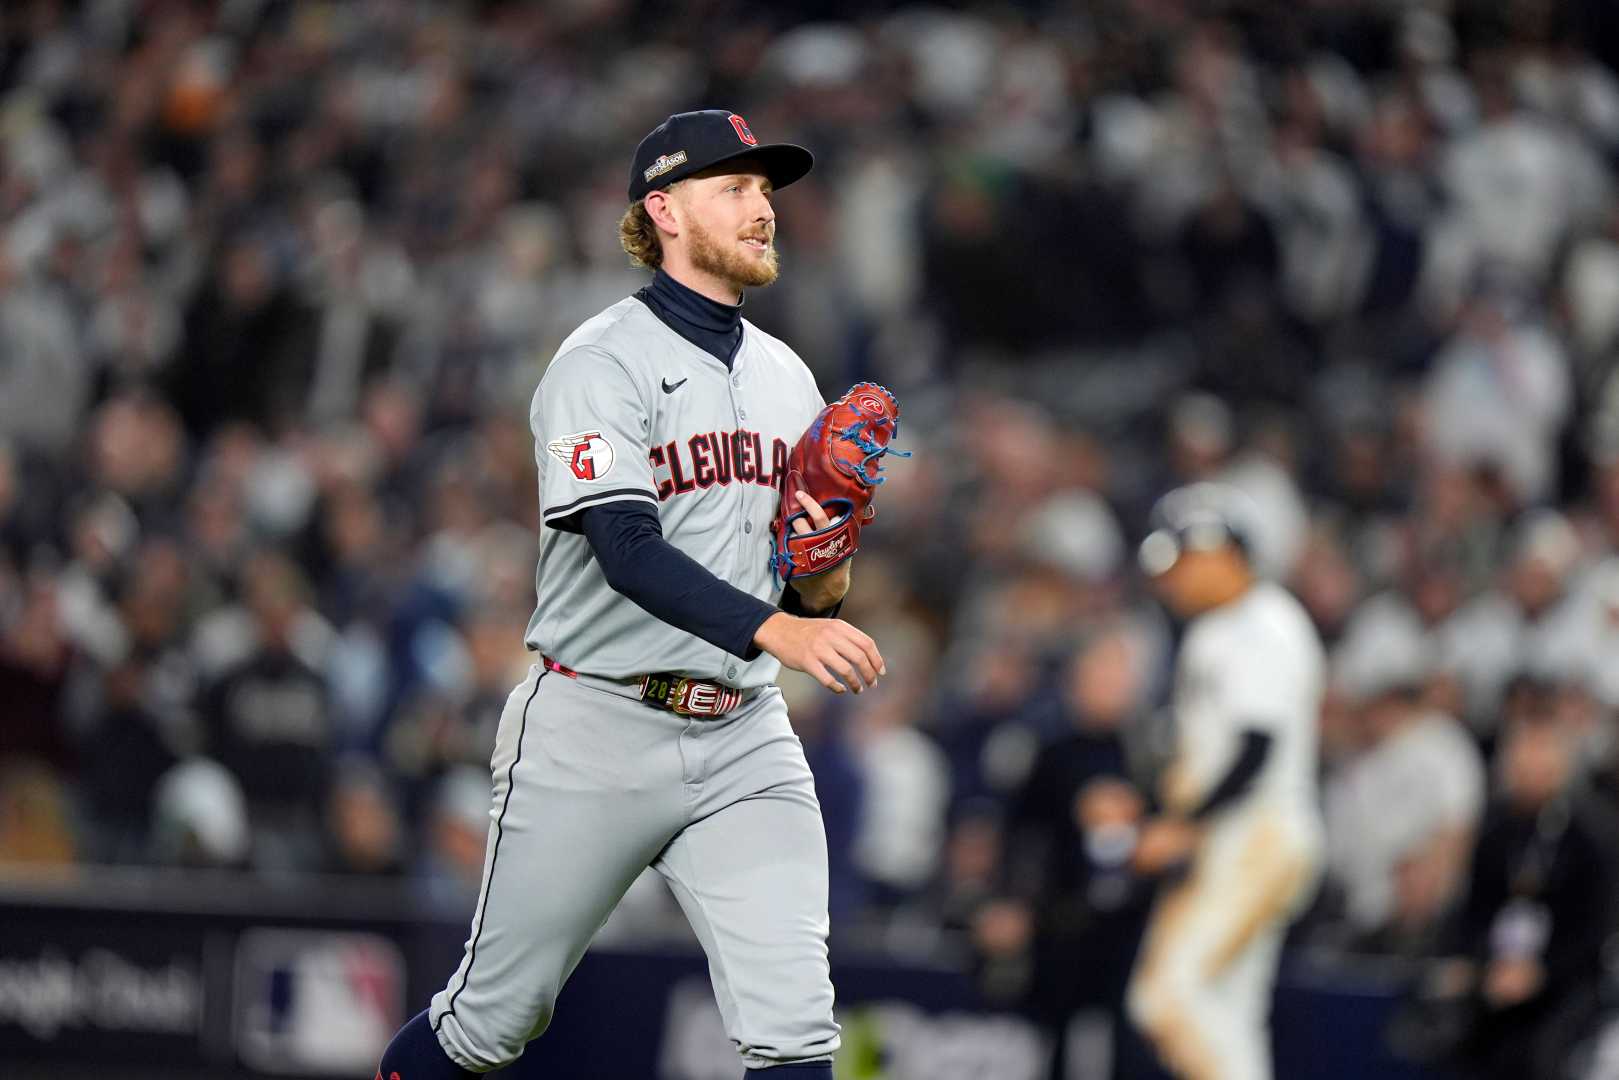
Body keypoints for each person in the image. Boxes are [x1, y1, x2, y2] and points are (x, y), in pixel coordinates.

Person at [376, 109, 885, 1080]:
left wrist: (826, 560)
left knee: (797, 1030)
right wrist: (779, 625)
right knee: (488, 1024)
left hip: (743, 732)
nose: (761, 208)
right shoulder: (595, 363)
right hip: (594, 721)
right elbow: (624, 548)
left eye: (765, 189)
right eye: (731, 186)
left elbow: (814, 598)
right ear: (663, 209)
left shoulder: (789, 379)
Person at [1124, 483, 1326, 1080]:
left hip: (1257, 834)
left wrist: (1184, 824)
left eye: (1182, 561)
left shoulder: (1265, 623)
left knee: (1167, 997)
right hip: (1233, 835)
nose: (1171, 580)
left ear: (1219, 551)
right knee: (1229, 1011)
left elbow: (1255, 749)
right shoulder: (1218, 630)